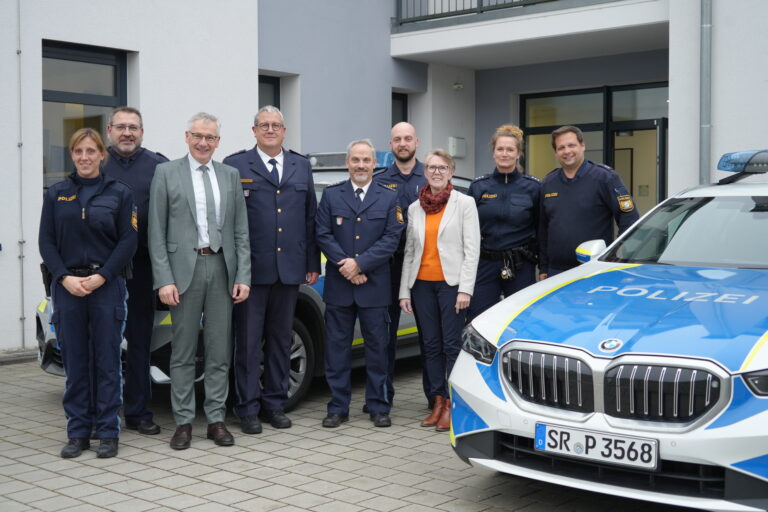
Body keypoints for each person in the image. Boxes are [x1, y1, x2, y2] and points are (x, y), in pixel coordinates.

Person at [148, 113, 251, 450]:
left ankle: (217, 420)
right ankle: (183, 423)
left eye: (210, 137)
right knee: (183, 351)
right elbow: (156, 232)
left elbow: (240, 232)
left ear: (218, 141)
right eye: (198, 136)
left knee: (220, 350)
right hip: (183, 272)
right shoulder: (166, 173)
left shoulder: (230, 175)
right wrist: (164, 279)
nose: (204, 142)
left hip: (221, 268)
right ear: (187, 136)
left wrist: (243, 276)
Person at [39, 128, 137, 459]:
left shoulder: (120, 193)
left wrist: (103, 276)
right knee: (76, 363)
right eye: (78, 151)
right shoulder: (56, 194)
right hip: (68, 288)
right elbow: (46, 242)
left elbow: (128, 241)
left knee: (108, 363)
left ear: (101, 154)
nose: (84, 157)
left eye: (90, 151)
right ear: (72, 155)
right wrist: (64, 277)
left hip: (107, 287)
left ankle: (108, 431)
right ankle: (78, 432)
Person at [223, 106, 320, 434]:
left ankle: (275, 403)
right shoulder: (236, 165)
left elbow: (310, 218)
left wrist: (311, 264)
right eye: (263, 125)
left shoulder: (300, 165)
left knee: (281, 339)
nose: (270, 129)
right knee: (248, 343)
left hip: (290, 270)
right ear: (253, 130)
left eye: (275, 125)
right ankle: (247, 408)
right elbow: (228, 222)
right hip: (251, 273)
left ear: (284, 130)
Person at [315, 139, 403, 428]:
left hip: (375, 286)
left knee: (378, 349)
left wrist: (361, 264)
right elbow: (323, 234)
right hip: (341, 286)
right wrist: (348, 266)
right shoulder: (331, 195)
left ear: (375, 164)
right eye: (356, 160)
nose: (361, 165)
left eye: (366, 160)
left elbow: (392, 238)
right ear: (347, 162)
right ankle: (338, 407)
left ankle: (378, 405)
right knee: (337, 350)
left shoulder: (389, 197)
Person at [399, 149, 480, 432]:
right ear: (425, 171)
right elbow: (410, 252)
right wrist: (404, 291)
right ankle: (436, 400)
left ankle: (451, 404)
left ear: (451, 172)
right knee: (430, 346)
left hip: (451, 286)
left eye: (442, 167)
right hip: (421, 285)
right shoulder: (415, 207)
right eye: (432, 167)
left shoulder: (464, 203)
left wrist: (465, 289)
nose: (436, 172)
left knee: (451, 346)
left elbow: (472, 250)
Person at [103, 107, 168, 436]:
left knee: (140, 342)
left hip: (142, 270)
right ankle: (105, 413)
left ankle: (139, 412)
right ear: (109, 130)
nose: (127, 133)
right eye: (121, 127)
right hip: (103, 272)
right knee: (104, 344)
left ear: (142, 132)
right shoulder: (97, 164)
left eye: (133, 127)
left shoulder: (158, 166)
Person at [371, 122, 428, 410]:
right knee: (385, 335)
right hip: (389, 267)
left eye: (407, 138)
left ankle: (436, 399)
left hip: (424, 267)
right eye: (397, 139)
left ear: (416, 142)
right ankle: (383, 397)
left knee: (430, 336)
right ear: (391, 144)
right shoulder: (380, 180)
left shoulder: (430, 176)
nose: (402, 143)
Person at [539, 125, 639, 278]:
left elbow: (629, 218)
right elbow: (543, 229)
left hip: (594, 270)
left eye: (572, 145)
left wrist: (617, 253)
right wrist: (544, 268)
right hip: (556, 271)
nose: (567, 151)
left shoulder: (605, 178)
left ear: (583, 145)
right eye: (561, 147)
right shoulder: (548, 183)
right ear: (556, 152)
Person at [467, 125, 540, 320]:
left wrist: (544, 266)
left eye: (510, 149)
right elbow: (467, 230)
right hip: (485, 263)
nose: (504, 154)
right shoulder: (479, 187)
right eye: (500, 149)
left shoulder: (533, 187)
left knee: (520, 318)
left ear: (519, 154)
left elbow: (543, 229)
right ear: (493, 153)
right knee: (479, 317)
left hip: (521, 264)